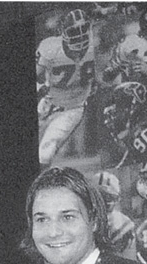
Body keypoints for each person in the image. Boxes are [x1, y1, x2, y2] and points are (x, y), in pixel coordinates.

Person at [36, 8, 96, 165]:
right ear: (63, 32)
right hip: (48, 102)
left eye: (83, 30)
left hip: (72, 108)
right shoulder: (50, 47)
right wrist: (40, 88)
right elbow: (35, 75)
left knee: (45, 154)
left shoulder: (94, 45)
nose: (80, 35)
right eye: (76, 31)